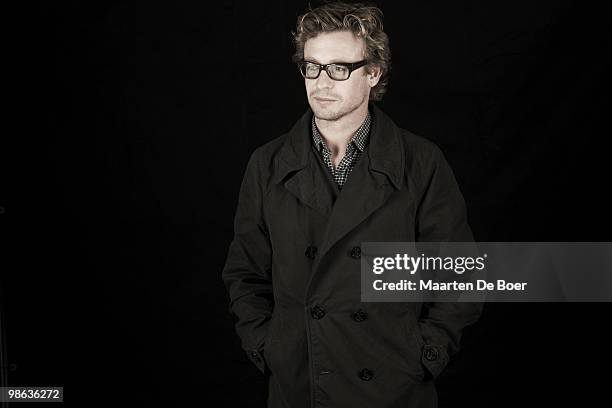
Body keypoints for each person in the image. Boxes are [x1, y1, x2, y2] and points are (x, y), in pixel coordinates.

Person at [221, 2, 482, 407]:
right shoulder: (267, 164)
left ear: (373, 73)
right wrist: (270, 348)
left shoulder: (421, 162)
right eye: (312, 66)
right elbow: (245, 274)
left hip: (394, 387)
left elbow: (460, 275)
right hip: (300, 386)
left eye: (339, 68)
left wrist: (425, 354)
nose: (321, 82)